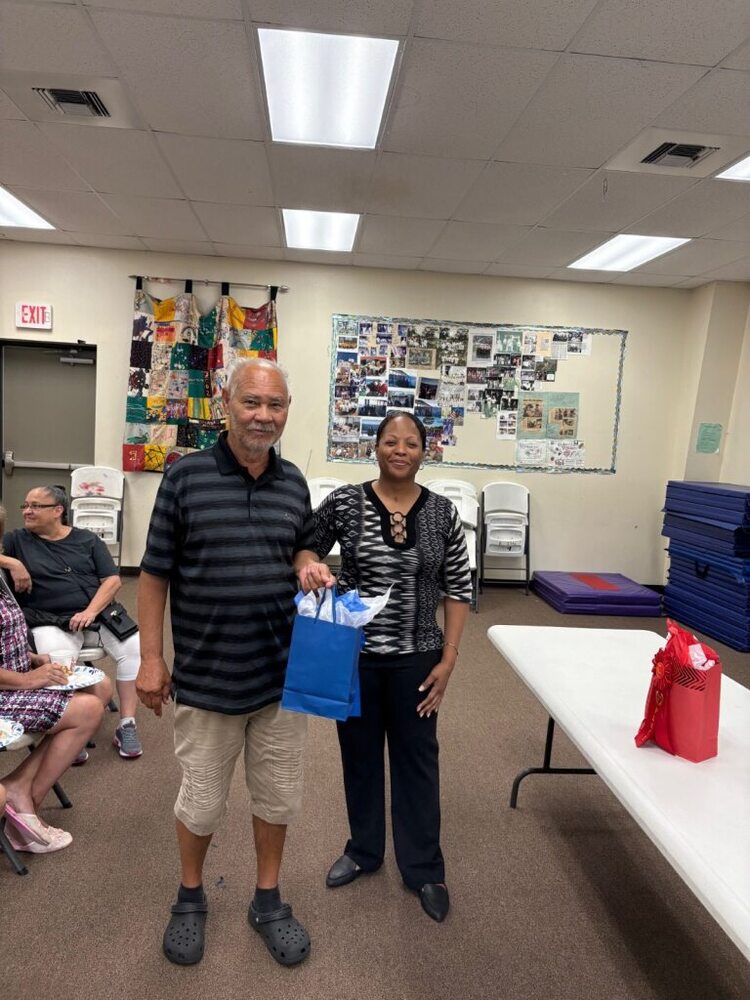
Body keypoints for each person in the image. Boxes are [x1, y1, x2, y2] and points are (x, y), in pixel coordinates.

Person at [136, 358, 334, 968]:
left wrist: (306, 561)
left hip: (280, 677)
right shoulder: (185, 477)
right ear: (226, 402)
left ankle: (267, 898)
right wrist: (150, 657)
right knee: (201, 800)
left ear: (286, 411)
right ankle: (190, 895)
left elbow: (301, 541)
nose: (263, 416)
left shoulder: (294, 480)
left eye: (275, 406)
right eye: (252, 403)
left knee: (277, 799)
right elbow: (153, 573)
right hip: (206, 676)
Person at [312, 412, 471, 923]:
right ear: (375, 447)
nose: (400, 449)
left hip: (418, 657)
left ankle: (424, 867)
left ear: (426, 451)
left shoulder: (443, 513)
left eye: (411, 443)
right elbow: (305, 546)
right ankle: (363, 850)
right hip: (353, 655)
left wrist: (448, 658)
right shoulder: (345, 503)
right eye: (390, 441)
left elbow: (458, 588)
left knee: (416, 761)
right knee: (357, 755)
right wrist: (309, 566)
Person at [0, 485, 143, 760]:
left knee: (134, 648)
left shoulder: (87, 540)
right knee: (58, 660)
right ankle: (68, 732)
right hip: (48, 620)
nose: (27, 511)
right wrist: (11, 563)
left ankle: (127, 724)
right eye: (25, 505)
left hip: (96, 615)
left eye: (36, 506)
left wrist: (90, 611)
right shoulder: (17, 540)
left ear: (58, 511)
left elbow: (111, 580)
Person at [0, 505, 112, 853]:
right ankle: (25, 799)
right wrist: (32, 679)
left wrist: (34, 658)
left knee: (99, 686)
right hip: (9, 690)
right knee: (88, 709)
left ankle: (21, 789)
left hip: (16, 676)